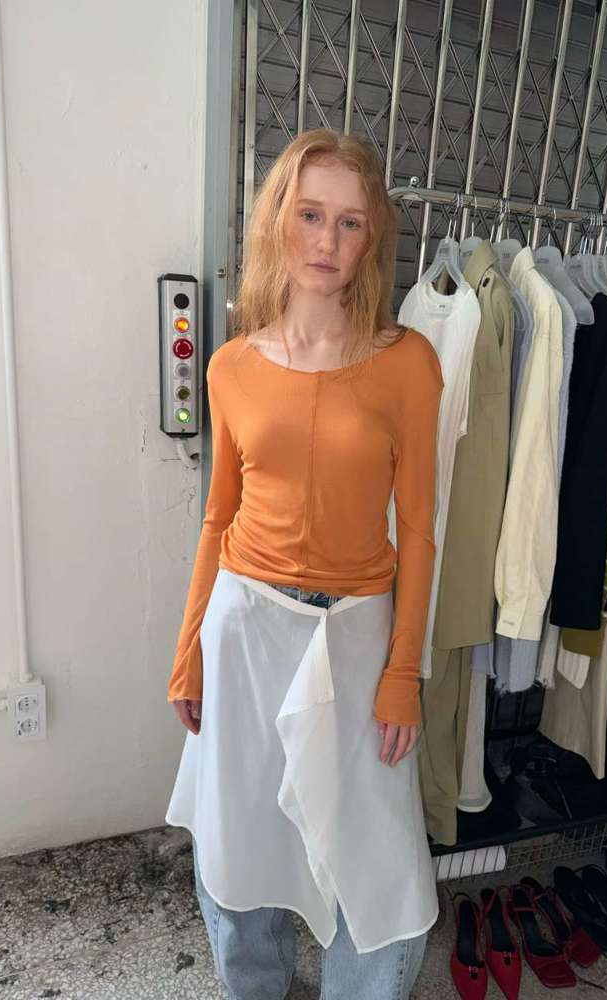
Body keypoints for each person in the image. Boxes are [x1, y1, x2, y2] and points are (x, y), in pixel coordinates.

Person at [165, 127, 444, 1000]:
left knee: (378, 857)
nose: (327, 241)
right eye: (311, 214)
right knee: (239, 833)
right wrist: (189, 648)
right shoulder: (231, 367)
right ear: (278, 221)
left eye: (350, 222)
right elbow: (219, 518)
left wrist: (403, 673)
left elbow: (421, 529)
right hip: (246, 624)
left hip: (357, 633)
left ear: (372, 239)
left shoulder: (409, 363)